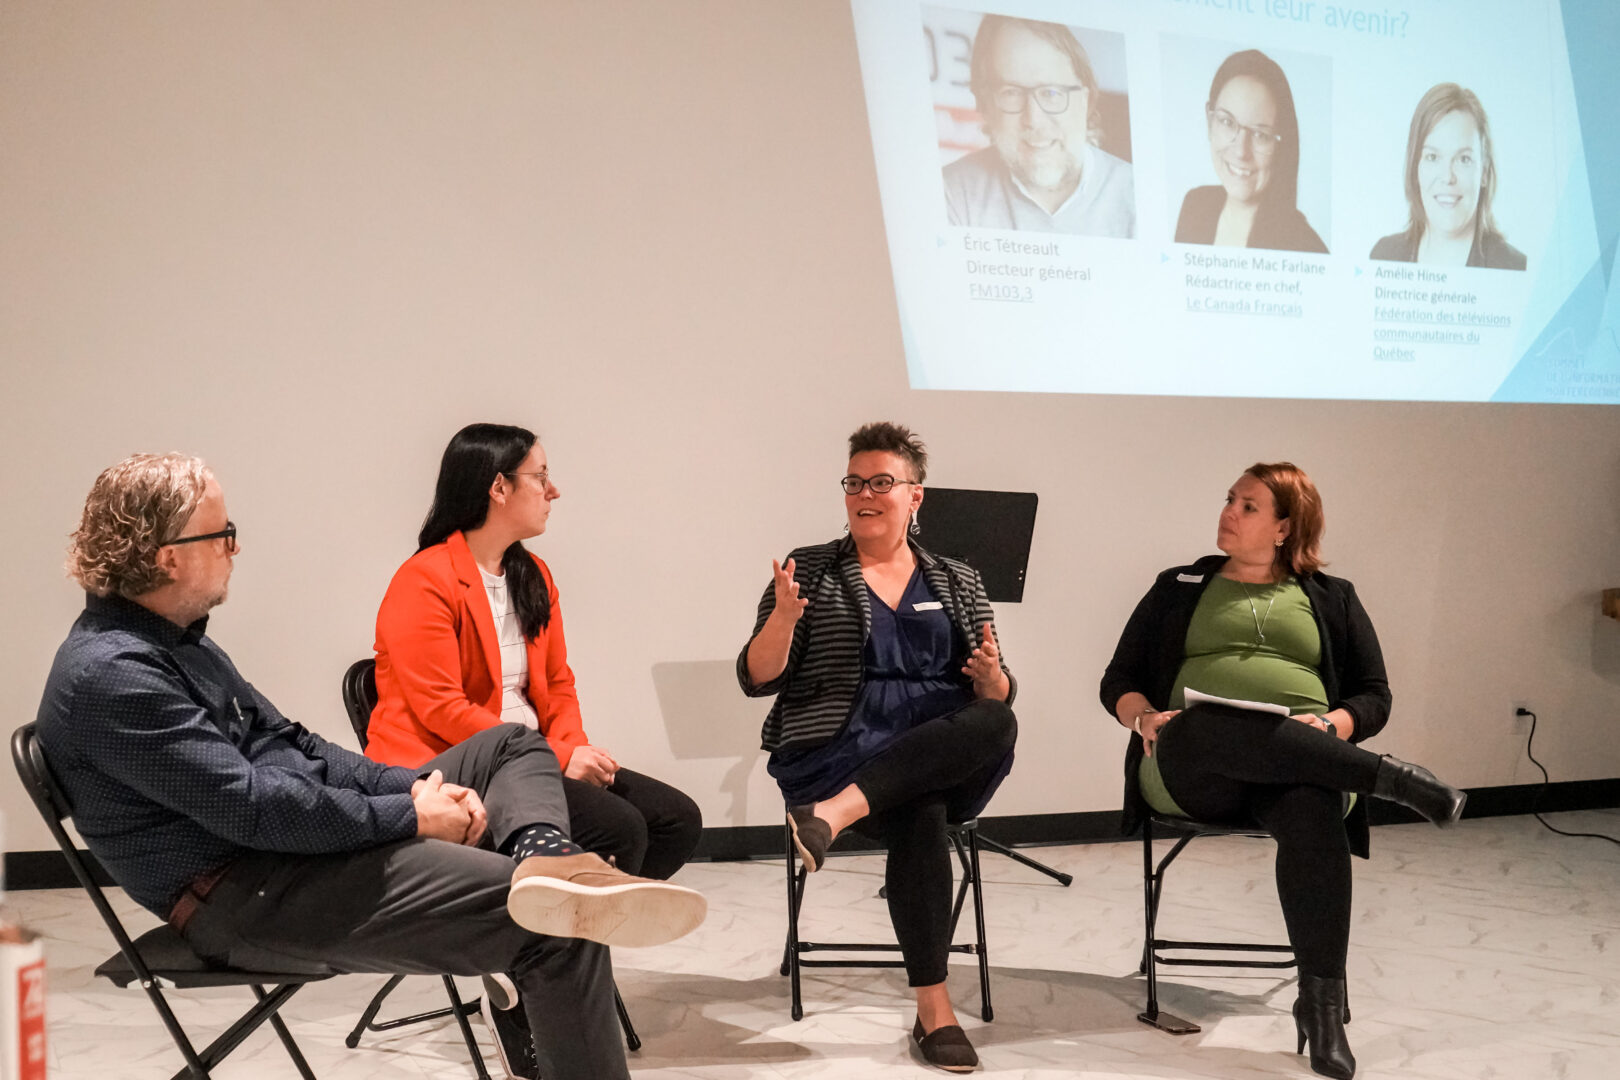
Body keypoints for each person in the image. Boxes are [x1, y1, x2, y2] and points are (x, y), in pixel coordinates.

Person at [36, 453, 707, 1080]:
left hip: (290, 856)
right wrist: (410, 816)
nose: (234, 549)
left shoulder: (179, 646)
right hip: (250, 893)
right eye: (223, 534)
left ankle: (548, 857)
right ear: (167, 559)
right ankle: (553, 888)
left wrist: (413, 789)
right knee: (562, 925)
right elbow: (252, 809)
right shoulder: (113, 677)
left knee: (509, 745)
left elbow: (300, 748)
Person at [1100, 462, 1466, 1080]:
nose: (1229, 512)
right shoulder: (1180, 584)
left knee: (1314, 807)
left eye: (1248, 506)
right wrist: (1145, 722)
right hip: (1193, 766)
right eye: (1229, 500)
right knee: (1205, 722)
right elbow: (1119, 680)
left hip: (1301, 769)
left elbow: (1373, 694)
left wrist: (1336, 727)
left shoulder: (1332, 595)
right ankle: (1394, 780)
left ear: (1284, 527)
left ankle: (1321, 1011)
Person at [365, 423, 704, 1073]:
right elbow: (440, 709)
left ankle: (536, 951)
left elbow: (557, 683)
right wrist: (552, 753)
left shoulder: (532, 574)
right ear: (497, 487)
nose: (555, 489)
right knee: (623, 830)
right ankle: (533, 974)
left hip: (538, 755)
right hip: (458, 764)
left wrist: (569, 746)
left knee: (672, 820)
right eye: (540, 476)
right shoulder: (425, 579)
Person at [739, 422, 1016, 1073]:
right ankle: (935, 1013)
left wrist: (992, 678)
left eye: (881, 482)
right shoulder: (808, 569)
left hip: (933, 755)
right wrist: (783, 618)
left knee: (997, 722)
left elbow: (997, 688)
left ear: (915, 495)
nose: (865, 493)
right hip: (840, 751)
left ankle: (828, 820)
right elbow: (757, 677)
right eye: (854, 482)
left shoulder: (957, 578)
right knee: (922, 814)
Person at [943, 14, 1135, 237]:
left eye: (1051, 92)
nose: (1034, 119)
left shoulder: (1136, 196)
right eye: (1011, 93)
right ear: (986, 106)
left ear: (1086, 102)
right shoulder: (951, 193)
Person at [1174, 50, 1327, 253]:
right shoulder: (1195, 205)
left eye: (1260, 135)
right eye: (1227, 122)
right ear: (1210, 122)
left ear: (1281, 146)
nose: (1240, 152)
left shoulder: (1307, 247)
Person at [1369, 83, 1526, 270]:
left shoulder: (1514, 267)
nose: (1447, 177)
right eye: (1433, 157)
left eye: (1463, 159)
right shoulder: (1384, 256)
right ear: (1415, 168)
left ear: (1484, 172)